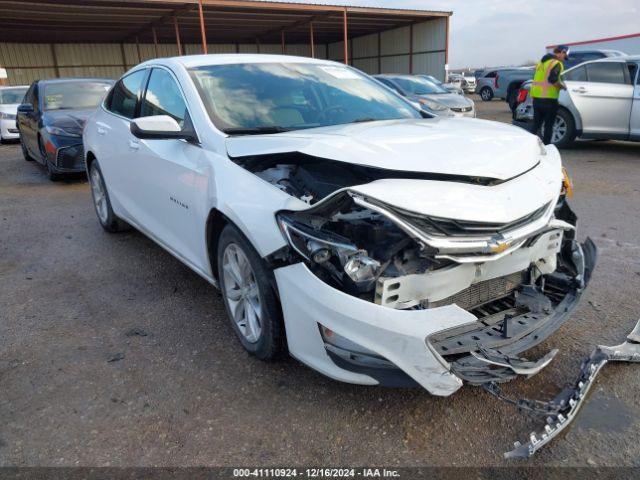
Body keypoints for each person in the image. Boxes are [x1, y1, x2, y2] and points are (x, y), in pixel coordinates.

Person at [530, 45, 569, 145]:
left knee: (536, 126)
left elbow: (537, 79)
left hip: (537, 99)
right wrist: (562, 87)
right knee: (548, 126)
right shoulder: (557, 63)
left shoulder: (541, 63)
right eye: (565, 56)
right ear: (562, 52)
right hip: (549, 100)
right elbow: (553, 80)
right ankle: (547, 148)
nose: (564, 59)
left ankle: (530, 147)